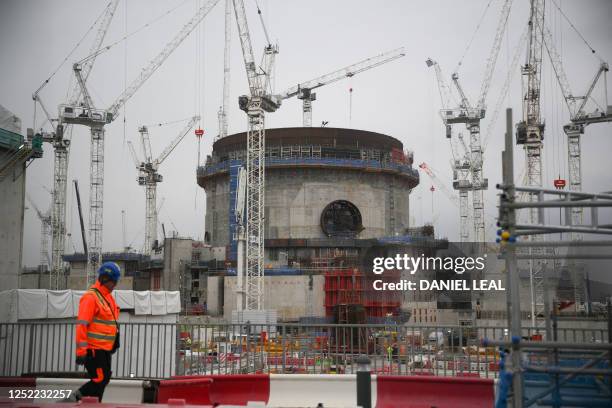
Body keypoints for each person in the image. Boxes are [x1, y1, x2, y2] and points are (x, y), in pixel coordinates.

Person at [71, 262, 121, 402]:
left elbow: (109, 323)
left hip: (105, 350)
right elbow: (82, 325)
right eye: (113, 282)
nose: (115, 285)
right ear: (104, 279)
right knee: (100, 379)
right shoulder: (91, 297)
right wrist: (81, 352)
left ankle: (93, 404)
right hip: (94, 349)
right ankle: (74, 398)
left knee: (104, 379)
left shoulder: (108, 297)